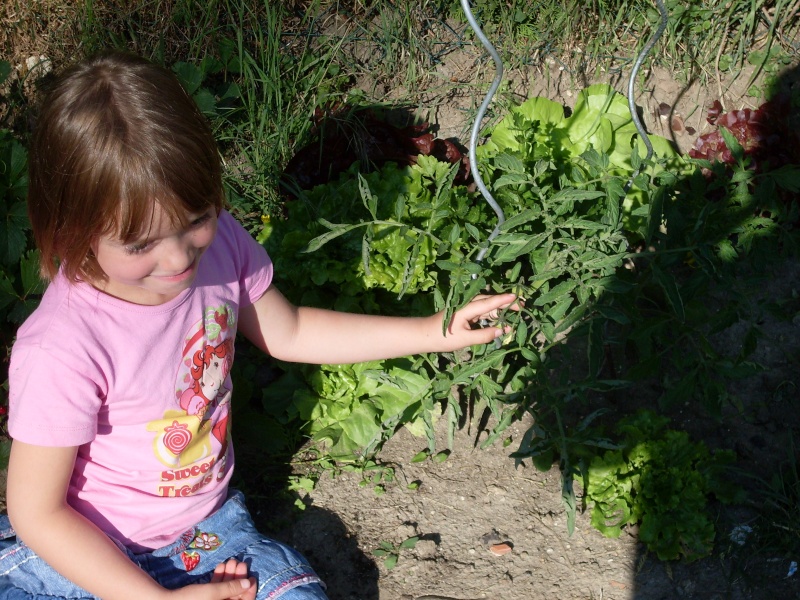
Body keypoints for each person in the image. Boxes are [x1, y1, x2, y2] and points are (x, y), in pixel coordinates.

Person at [0, 50, 518, 600]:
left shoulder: (220, 244)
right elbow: (38, 513)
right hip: (82, 550)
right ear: (70, 229)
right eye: (140, 243)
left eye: (195, 219)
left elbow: (290, 331)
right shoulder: (63, 345)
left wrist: (432, 329)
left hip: (208, 533)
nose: (178, 259)